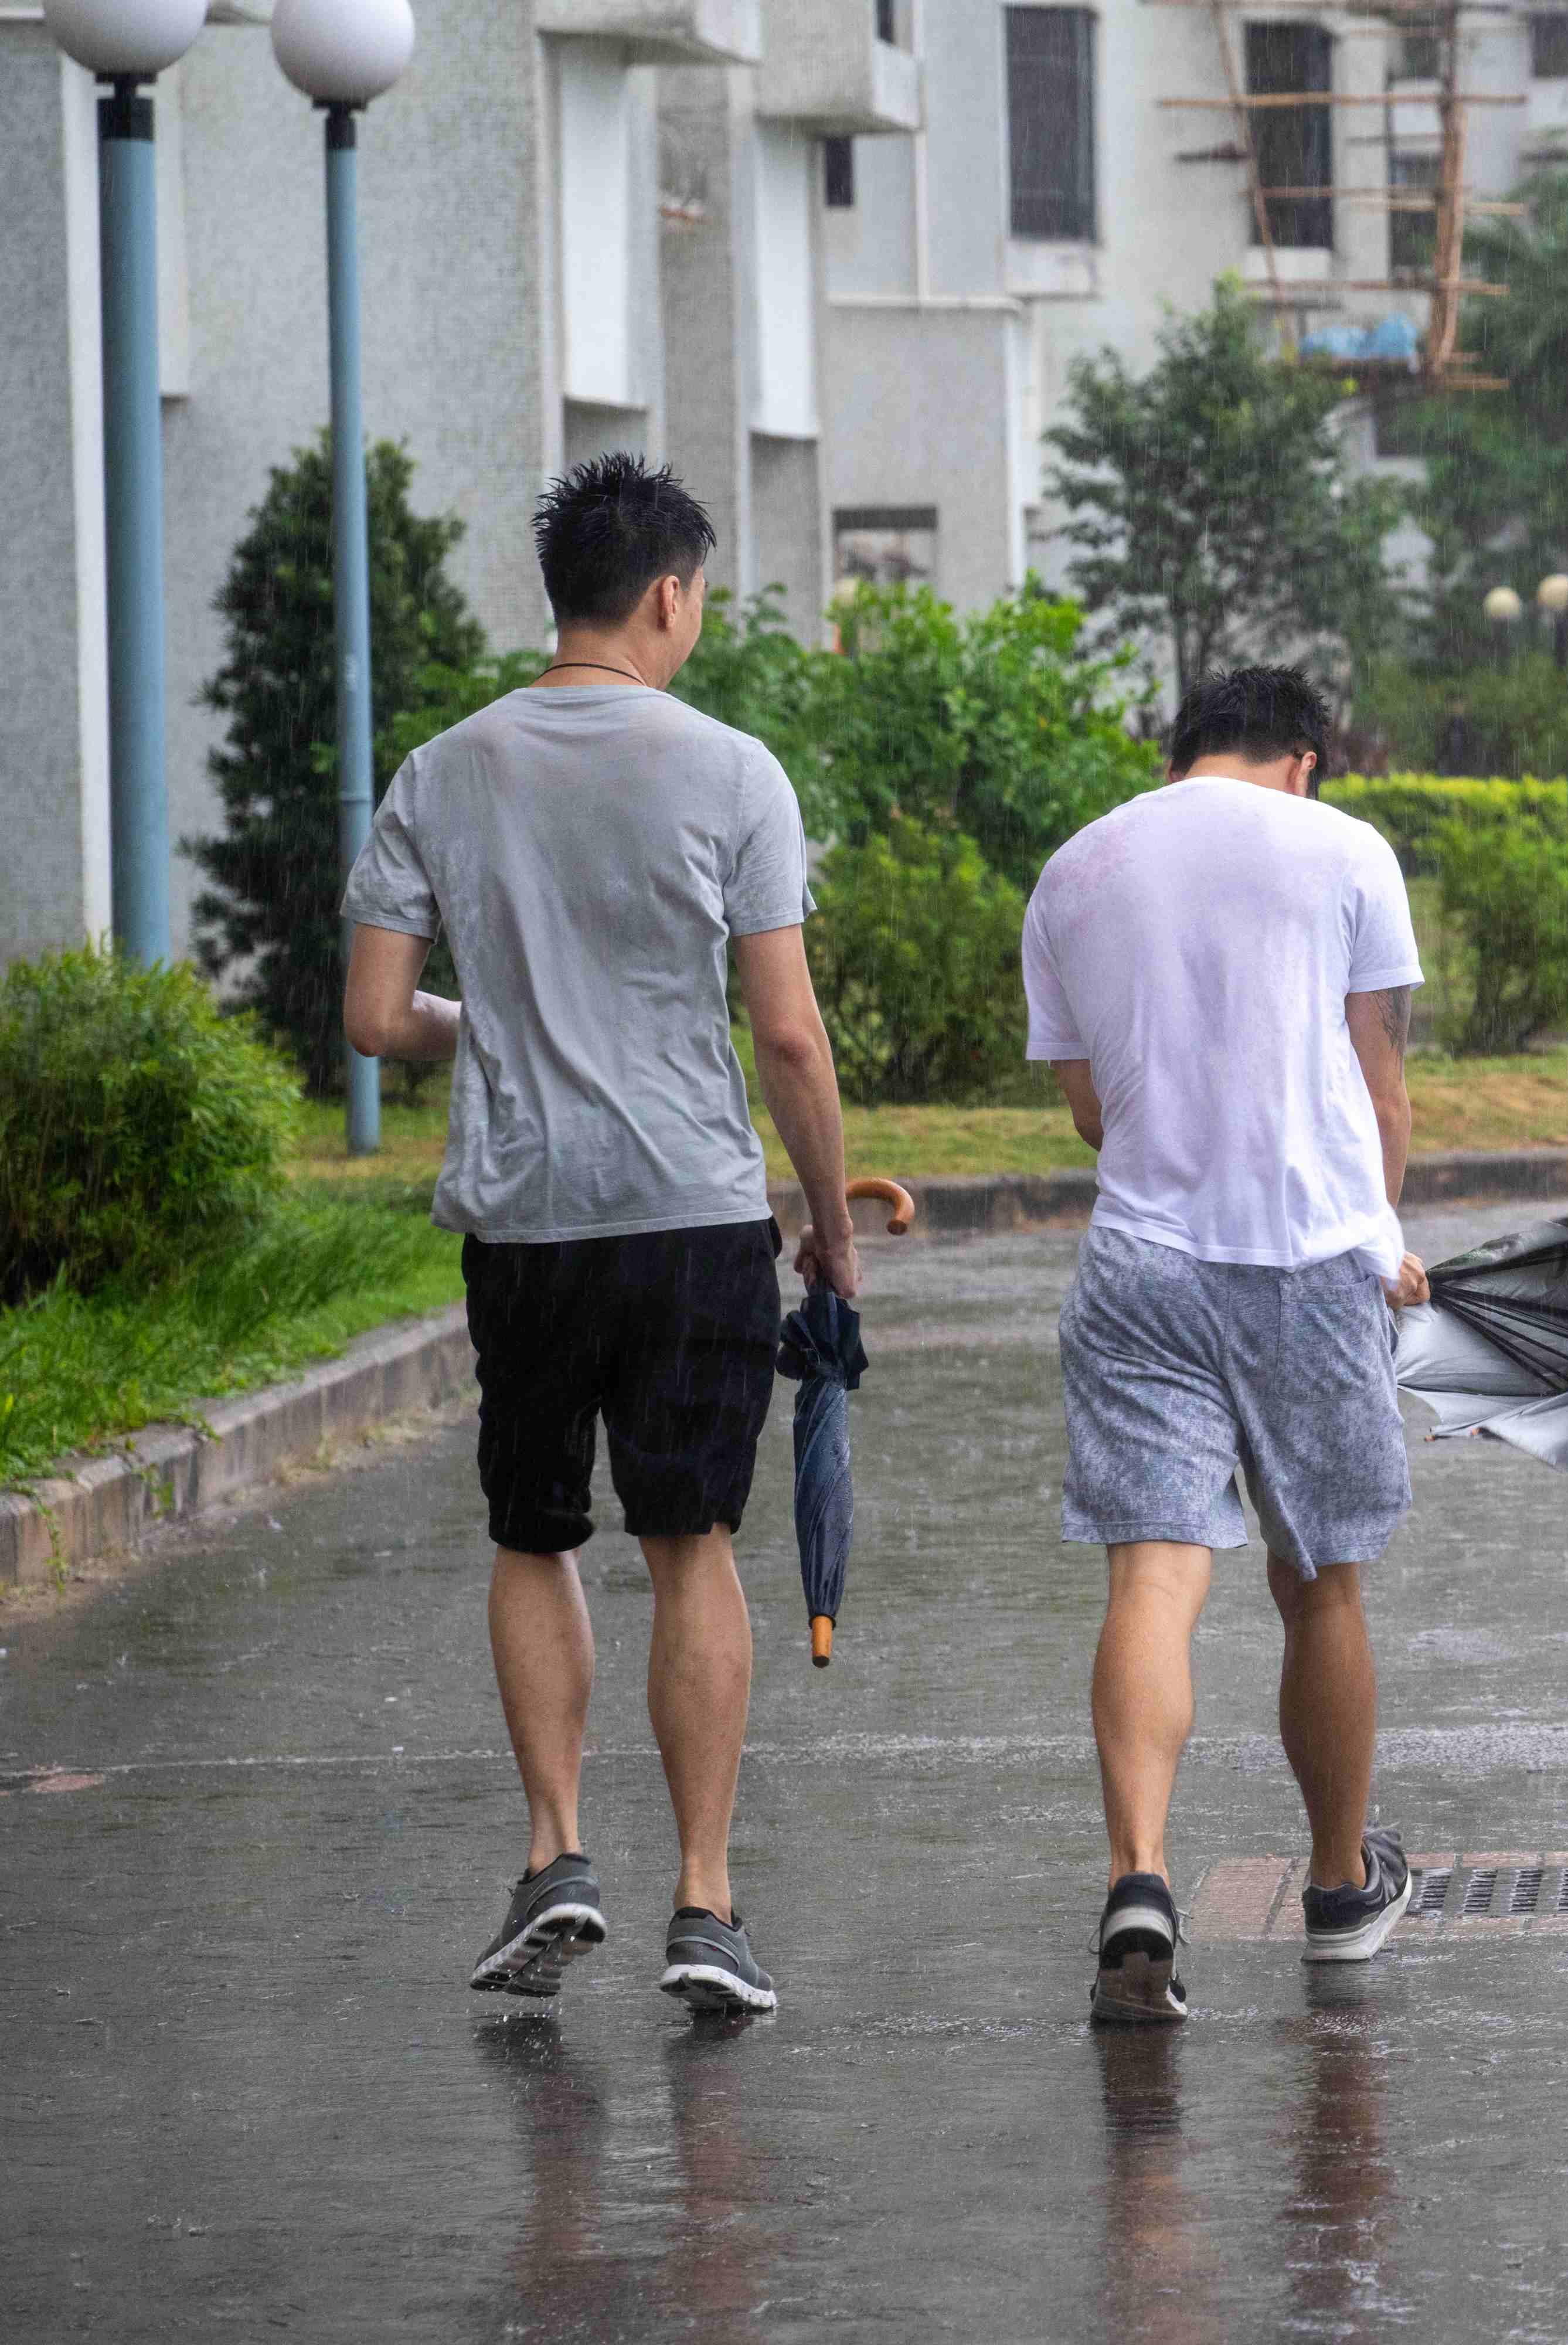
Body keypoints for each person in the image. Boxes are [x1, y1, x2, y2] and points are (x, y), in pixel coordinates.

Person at [341, 455, 854, 2019]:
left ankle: (559, 1853)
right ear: (669, 597)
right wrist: (831, 1226)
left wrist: (487, 1025)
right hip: (694, 1213)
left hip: (525, 1221)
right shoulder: (730, 771)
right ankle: (705, 1899)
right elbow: (787, 1037)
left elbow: (371, 1015)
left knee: (533, 1531)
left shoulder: (444, 769)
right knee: (690, 1543)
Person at [1024, 664, 1430, 2023]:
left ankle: (1141, 1874)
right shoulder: (1347, 851)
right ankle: (1334, 1888)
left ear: (1183, 751)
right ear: (1305, 759)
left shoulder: (1077, 871)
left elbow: (1093, 1110)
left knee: (1154, 1574)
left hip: (1142, 1259)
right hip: (1312, 1254)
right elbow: (1379, 1080)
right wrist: (1384, 1232)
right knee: (1321, 1581)